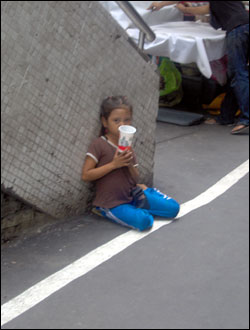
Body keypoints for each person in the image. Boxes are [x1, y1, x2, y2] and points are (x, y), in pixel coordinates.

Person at [147, 1, 249, 134]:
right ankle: (226, 117)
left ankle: (246, 119)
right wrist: (186, 10)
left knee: (238, 74)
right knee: (236, 75)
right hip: (243, 26)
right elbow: (207, 8)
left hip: (237, 29)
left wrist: (161, 3)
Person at [82, 96, 180, 231]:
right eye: (116, 120)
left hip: (133, 195)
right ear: (105, 122)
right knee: (145, 221)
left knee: (173, 208)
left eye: (127, 120)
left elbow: (135, 177)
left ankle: (144, 196)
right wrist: (114, 164)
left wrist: (128, 164)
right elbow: (86, 175)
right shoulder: (99, 144)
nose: (122, 124)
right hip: (112, 203)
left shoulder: (127, 145)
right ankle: (106, 211)